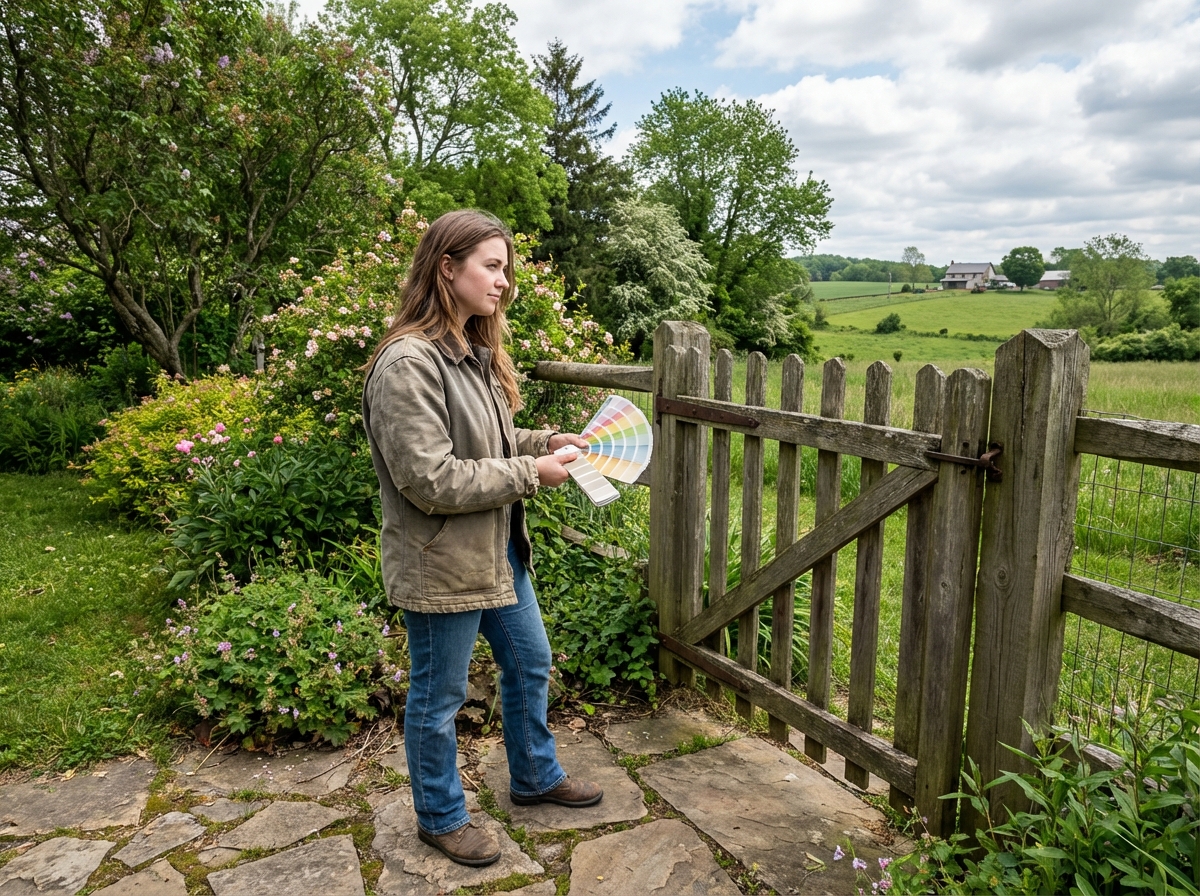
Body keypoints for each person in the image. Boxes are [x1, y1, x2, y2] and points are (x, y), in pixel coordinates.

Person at [361, 209, 603, 867]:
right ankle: (440, 817)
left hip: (496, 555)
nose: (504, 283)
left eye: (506, 269)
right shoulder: (408, 363)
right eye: (491, 267)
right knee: (439, 699)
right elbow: (428, 477)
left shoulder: (473, 350)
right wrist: (533, 472)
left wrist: (547, 442)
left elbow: (488, 446)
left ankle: (533, 775)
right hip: (441, 563)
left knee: (528, 662)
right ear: (447, 267)